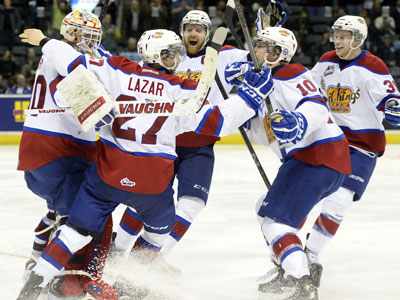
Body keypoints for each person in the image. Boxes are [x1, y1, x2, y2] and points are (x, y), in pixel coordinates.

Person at [16, 26, 274, 299]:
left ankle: (35, 284)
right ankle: (129, 278)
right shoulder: (182, 90)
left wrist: (45, 41)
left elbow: (72, 62)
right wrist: (249, 98)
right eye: (171, 54)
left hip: (108, 176)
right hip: (152, 185)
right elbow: (217, 121)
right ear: (158, 55)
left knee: (74, 232)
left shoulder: (117, 69)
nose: (177, 60)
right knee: (158, 233)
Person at [225, 26, 352, 300]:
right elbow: (261, 129)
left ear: (277, 53)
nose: (253, 51)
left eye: (260, 46)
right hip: (312, 159)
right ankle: (287, 268)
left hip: (318, 155)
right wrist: (240, 100)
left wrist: (299, 121)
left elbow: (316, 106)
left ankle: (302, 282)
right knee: (265, 211)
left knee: (276, 224)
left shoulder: (291, 72)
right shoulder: (264, 81)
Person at [17, 9, 115, 300]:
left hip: (38, 148)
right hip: (62, 149)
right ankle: (61, 284)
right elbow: (76, 73)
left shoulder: (57, 56)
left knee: (56, 211)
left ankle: (34, 262)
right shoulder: (62, 54)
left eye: (95, 38)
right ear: (69, 35)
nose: (91, 43)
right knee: (82, 219)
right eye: (86, 37)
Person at [305, 15, 400, 288]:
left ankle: (311, 254)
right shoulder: (325, 61)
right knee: (299, 197)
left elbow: (389, 98)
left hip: (361, 148)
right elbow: (307, 90)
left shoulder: (373, 66)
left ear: (358, 39)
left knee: (338, 202)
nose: (338, 40)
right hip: (327, 141)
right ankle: (286, 255)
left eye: (344, 36)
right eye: (336, 34)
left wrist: (393, 107)